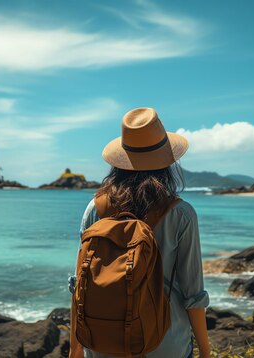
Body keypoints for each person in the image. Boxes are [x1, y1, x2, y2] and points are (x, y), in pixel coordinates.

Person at [70, 108, 210, 358]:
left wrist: (76, 349)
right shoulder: (182, 215)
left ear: (120, 162)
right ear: (167, 162)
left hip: (103, 345)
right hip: (164, 345)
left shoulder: (95, 208)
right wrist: (206, 353)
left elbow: (79, 283)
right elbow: (193, 295)